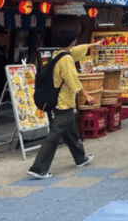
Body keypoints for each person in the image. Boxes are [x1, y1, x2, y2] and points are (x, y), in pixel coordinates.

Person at [28, 29, 97, 179]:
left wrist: (92, 44)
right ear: (72, 42)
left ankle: (80, 158)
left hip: (59, 101)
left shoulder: (57, 54)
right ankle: (38, 168)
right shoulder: (66, 60)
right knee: (55, 134)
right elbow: (72, 79)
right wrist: (86, 94)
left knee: (70, 131)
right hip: (62, 102)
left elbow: (76, 51)